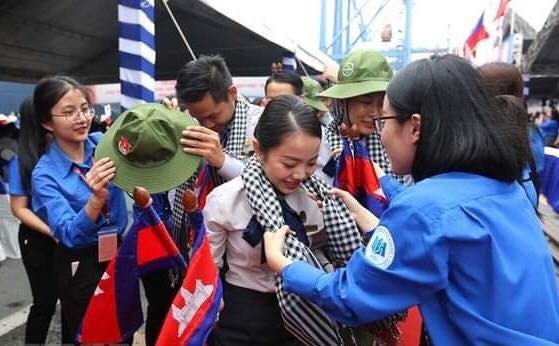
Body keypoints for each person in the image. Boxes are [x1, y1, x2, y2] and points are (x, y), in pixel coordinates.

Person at [263, 55, 559, 345]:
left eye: (384, 119)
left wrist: (286, 266)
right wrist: (374, 219)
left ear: (415, 127)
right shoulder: (504, 185)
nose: (382, 134)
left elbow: (351, 296)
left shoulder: (424, 208)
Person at [31, 75, 128, 344]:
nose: (81, 118)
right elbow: (69, 234)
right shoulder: (45, 174)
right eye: (69, 112)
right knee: (92, 334)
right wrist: (96, 199)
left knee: (124, 328)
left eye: (84, 108)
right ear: (46, 122)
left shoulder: (103, 144)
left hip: (118, 252)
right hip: (80, 263)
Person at [8, 97, 57, 344]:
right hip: (37, 238)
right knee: (45, 302)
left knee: (71, 300)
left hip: (67, 234)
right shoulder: (22, 159)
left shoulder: (64, 150)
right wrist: (54, 231)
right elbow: (18, 208)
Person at [318, 49, 406, 184]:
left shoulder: (394, 146)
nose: (375, 113)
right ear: (343, 102)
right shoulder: (320, 146)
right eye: (366, 102)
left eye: (382, 103)